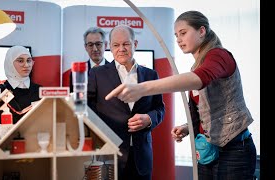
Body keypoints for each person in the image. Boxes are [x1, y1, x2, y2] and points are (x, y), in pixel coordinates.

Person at [105, 11, 257, 179]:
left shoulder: (219, 56)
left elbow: (200, 78)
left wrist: (142, 88)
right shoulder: (197, 66)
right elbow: (207, 110)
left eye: (183, 33)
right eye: (176, 35)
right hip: (209, 151)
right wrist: (188, 127)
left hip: (234, 150)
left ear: (201, 31)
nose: (178, 39)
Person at [88, 24, 165, 180]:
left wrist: (149, 119)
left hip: (141, 157)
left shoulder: (151, 75)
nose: (121, 49)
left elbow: (159, 108)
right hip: (110, 155)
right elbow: (88, 108)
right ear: (110, 46)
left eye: (126, 44)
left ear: (135, 44)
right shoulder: (97, 74)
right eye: (116, 45)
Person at [0, 45, 42, 142]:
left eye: (29, 60)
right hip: (5, 149)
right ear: (9, 64)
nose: (26, 65)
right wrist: (12, 131)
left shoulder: (41, 91)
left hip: (37, 148)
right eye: (20, 61)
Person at [69, 26, 109, 92]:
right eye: (90, 45)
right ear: (85, 47)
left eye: (98, 44)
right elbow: (74, 99)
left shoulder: (115, 70)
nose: (95, 49)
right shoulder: (78, 73)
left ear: (105, 45)